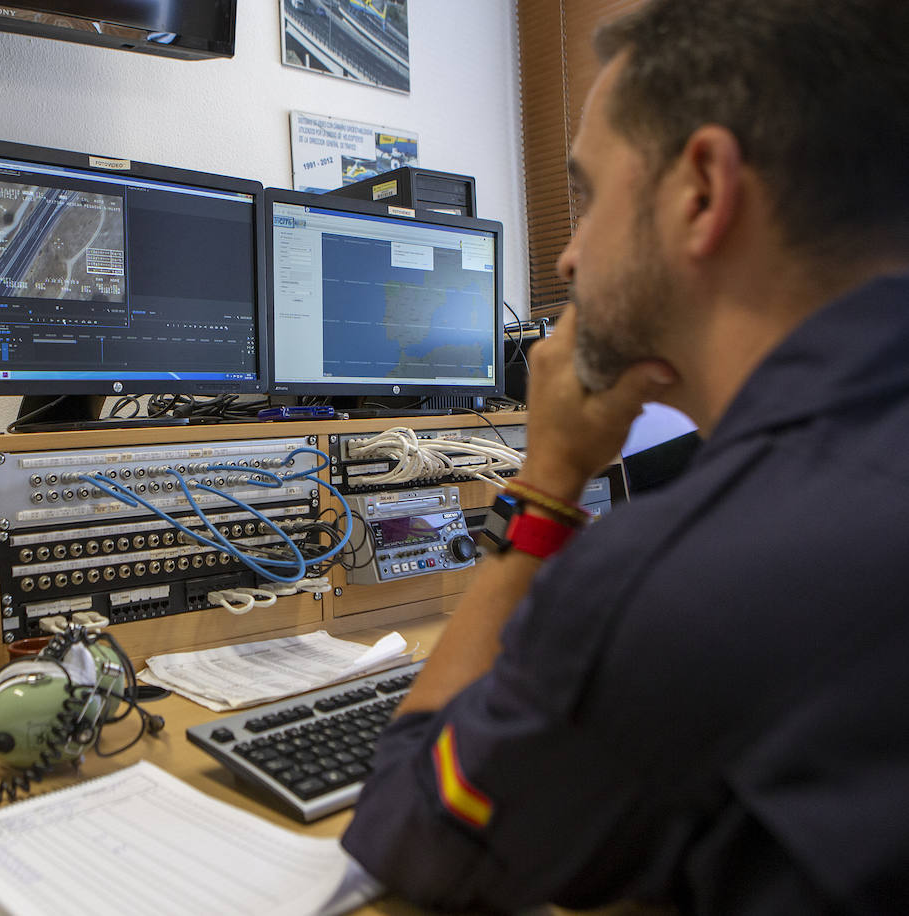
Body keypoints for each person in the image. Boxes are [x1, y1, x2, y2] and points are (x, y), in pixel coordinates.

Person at [341, 0, 909, 911]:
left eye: (588, 196)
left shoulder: (687, 573)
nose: (567, 258)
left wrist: (547, 481)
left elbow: (414, 834)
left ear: (702, 192)